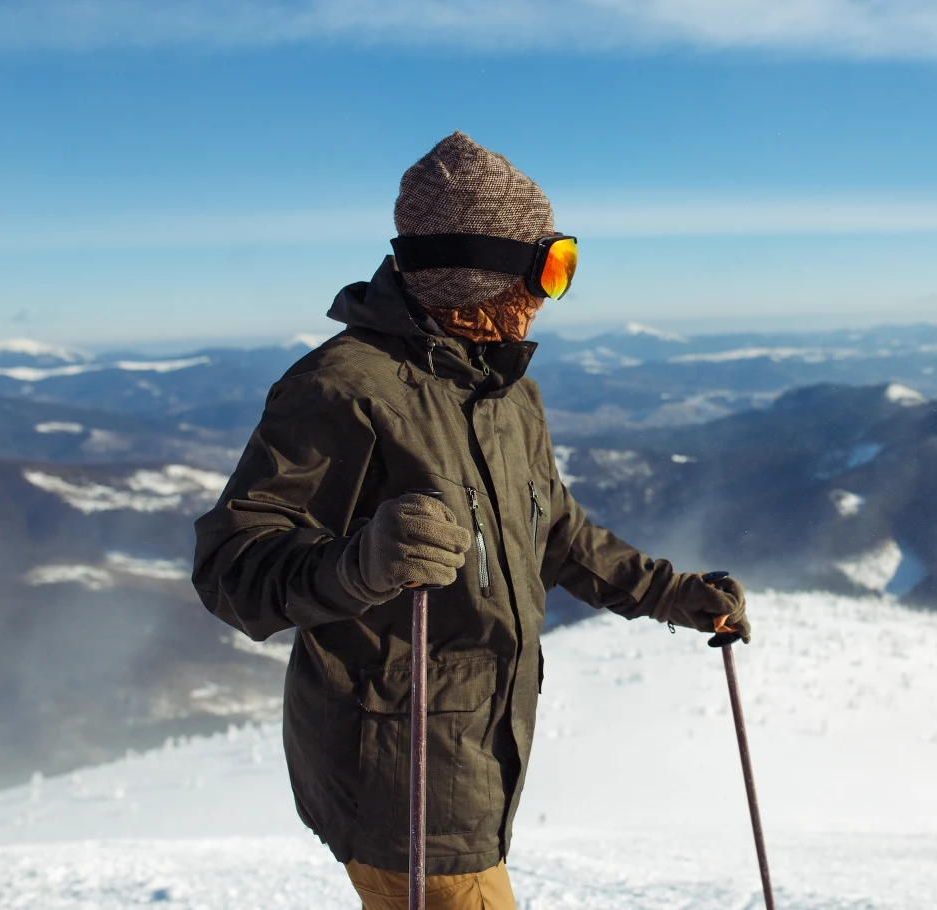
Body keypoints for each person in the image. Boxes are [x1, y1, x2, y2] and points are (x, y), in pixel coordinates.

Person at [191, 131, 750, 910]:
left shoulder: (506, 391)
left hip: (480, 751)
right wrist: (360, 564)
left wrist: (669, 593)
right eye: (550, 266)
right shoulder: (344, 389)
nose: (554, 292)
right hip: (399, 777)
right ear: (478, 275)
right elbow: (232, 568)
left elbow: (553, 530)